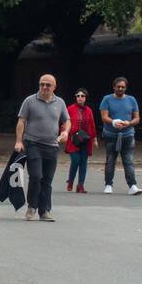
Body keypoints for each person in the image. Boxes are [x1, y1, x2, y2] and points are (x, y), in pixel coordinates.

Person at [16, 74, 69, 222]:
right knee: (36, 176)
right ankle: (32, 206)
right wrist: (19, 141)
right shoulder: (30, 101)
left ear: (54, 87)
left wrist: (65, 132)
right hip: (33, 144)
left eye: (48, 85)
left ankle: (44, 210)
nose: (44, 87)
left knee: (47, 180)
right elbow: (21, 121)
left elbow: (67, 120)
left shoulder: (60, 103)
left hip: (52, 146)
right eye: (42, 84)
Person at [100, 77, 142, 195]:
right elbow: (104, 117)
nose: (120, 89)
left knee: (128, 160)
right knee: (110, 160)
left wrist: (128, 123)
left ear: (125, 88)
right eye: (118, 86)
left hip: (128, 134)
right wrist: (113, 122)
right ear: (114, 87)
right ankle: (108, 184)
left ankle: (132, 185)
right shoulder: (107, 99)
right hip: (111, 134)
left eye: (123, 87)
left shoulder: (132, 100)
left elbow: (137, 118)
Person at [64, 88, 97, 193]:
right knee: (75, 161)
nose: (80, 98)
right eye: (78, 96)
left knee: (83, 163)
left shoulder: (89, 110)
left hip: (85, 140)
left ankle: (80, 185)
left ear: (85, 98)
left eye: (82, 96)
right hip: (73, 139)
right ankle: (70, 181)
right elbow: (64, 122)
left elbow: (92, 125)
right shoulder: (70, 108)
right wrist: (64, 133)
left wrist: (94, 138)